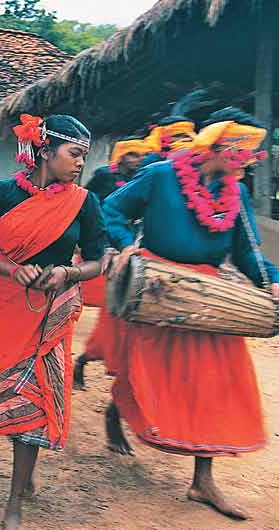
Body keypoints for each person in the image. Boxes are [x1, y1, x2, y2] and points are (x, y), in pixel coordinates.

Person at [103, 107, 279, 520]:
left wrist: (271, 280)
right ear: (220, 147)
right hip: (157, 286)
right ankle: (117, 411)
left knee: (215, 383)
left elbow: (249, 250)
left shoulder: (234, 193)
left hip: (209, 297)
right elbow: (112, 208)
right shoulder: (161, 175)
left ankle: (203, 481)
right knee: (148, 371)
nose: (247, 163)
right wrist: (126, 244)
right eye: (242, 154)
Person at [0, 114, 104, 530]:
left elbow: (97, 259)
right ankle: (23, 469)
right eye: (74, 154)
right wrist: (12, 270)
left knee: (36, 398)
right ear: (45, 150)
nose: (79, 164)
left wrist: (68, 273)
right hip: (8, 306)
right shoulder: (1, 193)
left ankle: (13, 501)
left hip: (52, 313)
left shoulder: (84, 202)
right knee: (9, 389)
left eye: (83, 156)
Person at [72, 136, 150, 389]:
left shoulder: (143, 178)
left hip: (132, 249)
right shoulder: (105, 176)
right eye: (132, 155)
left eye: (140, 155)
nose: (137, 160)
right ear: (121, 156)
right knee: (99, 301)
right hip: (105, 242)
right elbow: (89, 203)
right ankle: (83, 357)